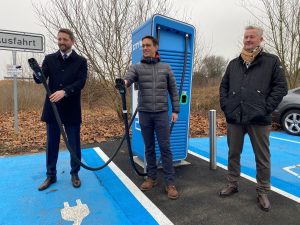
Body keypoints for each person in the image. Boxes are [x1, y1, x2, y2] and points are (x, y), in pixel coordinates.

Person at [219, 25, 287, 211]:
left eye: (252, 37)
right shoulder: (234, 63)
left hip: (259, 118)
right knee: (233, 153)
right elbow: (223, 87)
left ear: (260, 40)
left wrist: (265, 108)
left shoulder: (271, 61)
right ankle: (232, 183)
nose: (248, 40)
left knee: (262, 157)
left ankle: (263, 191)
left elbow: (281, 88)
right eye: (246, 37)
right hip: (235, 118)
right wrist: (227, 106)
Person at [124, 36, 180, 200]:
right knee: (149, 147)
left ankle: (170, 183)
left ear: (156, 47)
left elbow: (173, 90)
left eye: (148, 45)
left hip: (162, 113)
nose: (145, 48)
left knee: (165, 148)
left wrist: (175, 110)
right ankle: (151, 177)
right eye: (143, 46)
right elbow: (129, 77)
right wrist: (124, 82)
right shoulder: (137, 67)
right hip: (145, 113)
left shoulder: (166, 68)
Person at [33, 28, 88, 191]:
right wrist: (36, 73)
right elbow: (40, 79)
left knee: (74, 143)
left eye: (65, 39)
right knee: (52, 143)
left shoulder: (81, 61)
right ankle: (51, 175)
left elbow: (81, 83)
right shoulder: (49, 59)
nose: (61, 42)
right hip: (53, 109)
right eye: (59, 39)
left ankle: (74, 173)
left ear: (72, 41)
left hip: (71, 108)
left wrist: (65, 92)